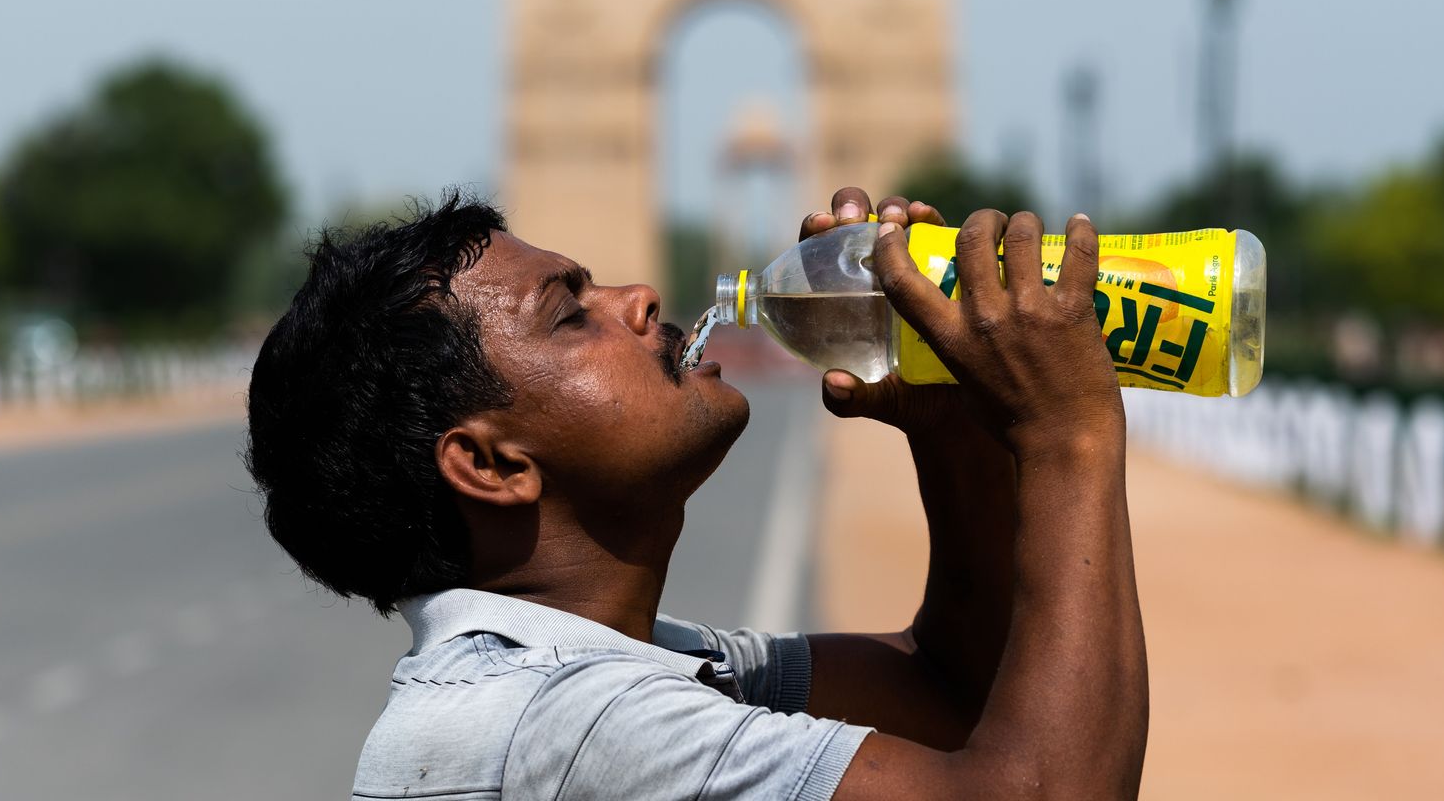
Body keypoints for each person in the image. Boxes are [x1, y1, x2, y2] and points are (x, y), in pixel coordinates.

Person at [245, 186, 1148, 800]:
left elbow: (949, 693)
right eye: (570, 315)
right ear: (493, 465)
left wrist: (953, 429)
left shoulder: (598, 672)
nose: (640, 297)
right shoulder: (568, 721)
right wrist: (1066, 437)